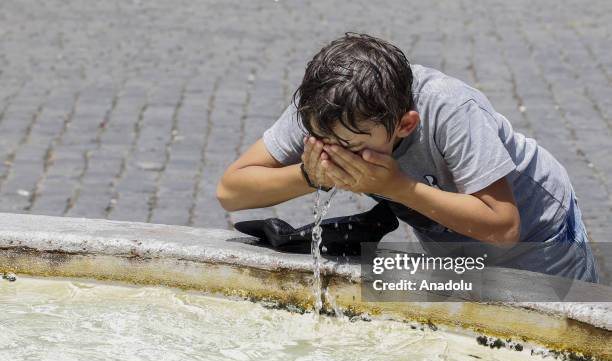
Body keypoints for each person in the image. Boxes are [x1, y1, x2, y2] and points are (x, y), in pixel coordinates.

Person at [216, 32, 599, 283]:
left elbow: (503, 228)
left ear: (404, 125)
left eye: (350, 145)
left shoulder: (451, 109)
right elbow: (231, 193)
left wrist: (398, 187)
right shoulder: (328, 109)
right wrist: (310, 175)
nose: (333, 152)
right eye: (320, 138)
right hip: (452, 244)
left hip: (541, 238)